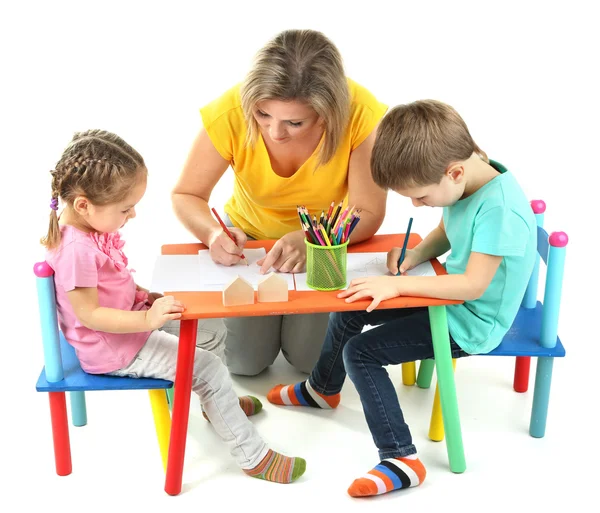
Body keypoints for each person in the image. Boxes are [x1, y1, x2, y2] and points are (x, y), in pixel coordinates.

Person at [266, 100, 537, 496]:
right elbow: (449, 225)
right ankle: (323, 389)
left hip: (471, 321)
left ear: (455, 172)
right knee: (353, 304)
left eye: (421, 197)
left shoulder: (500, 210)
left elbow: (472, 286)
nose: (416, 206)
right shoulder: (472, 173)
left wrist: (397, 285)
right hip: (448, 298)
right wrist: (415, 256)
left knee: (361, 351)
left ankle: (401, 457)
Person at [41, 129, 306, 484]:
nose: (133, 214)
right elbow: (90, 314)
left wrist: (142, 294)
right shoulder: (76, 250)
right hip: (116, 349)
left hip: (131, 324)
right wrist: (149, 319)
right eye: (125, 208)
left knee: (211, 331)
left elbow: (108, 282)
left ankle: (219, 406)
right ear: (84, 204)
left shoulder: (88, 229)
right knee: (209, 369)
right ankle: (254, 458)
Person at [171, 29, 388, 376]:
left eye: (295, 122)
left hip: (325, 247)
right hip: (251, 247)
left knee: (310, 362)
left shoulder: (360, 113)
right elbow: (187, 195)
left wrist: (313, 239)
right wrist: (213, 235)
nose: (274, 133)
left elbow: (369, 211)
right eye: (262, 116)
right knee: (245, 363)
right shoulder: (230, 110)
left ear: (328, 113)